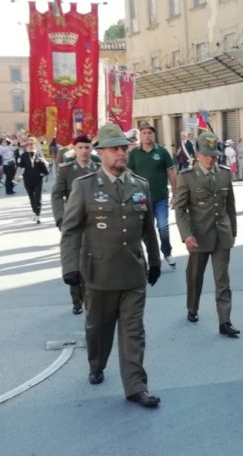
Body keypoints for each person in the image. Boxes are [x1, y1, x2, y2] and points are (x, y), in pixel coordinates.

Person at [59, 124, 161, 408]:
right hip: (99, 274)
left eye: (123, 148)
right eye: (114, 149)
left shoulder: (139, 184)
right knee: (98, 329)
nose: (121, 153)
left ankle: (136, 386)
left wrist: (154, 261)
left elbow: (148, 229)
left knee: (133, 330)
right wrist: (70, 266)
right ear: (100, 153)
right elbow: (71, 230)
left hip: (132, 272)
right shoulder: (85, 186)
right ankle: (97, 363)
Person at [173, 132, 239, 336]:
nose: (212, 159)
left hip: (221, 235)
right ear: (198, 154)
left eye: (215, 155)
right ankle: (192, 307)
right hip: (199, 236)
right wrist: (186, 235)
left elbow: (231, 206)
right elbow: (180, 208)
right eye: (208, 154)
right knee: (195, 276)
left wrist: (233, 231)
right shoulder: (187, 177)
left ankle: (225, 321)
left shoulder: (225, 174)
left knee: (222, 280)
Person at [52, 135, 99, 315]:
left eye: (87, 148)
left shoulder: (98, 168)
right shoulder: (66, 170)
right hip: (73, 221)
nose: (84, 151)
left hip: (94, 221)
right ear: (74, 149)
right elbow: (57, 195)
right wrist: (60, 217)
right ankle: (76, 298)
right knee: (75, 259)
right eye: (80, 148)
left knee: (91, 259)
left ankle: (90, 297)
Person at [127, 124, 178, 268]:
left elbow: (172, 173)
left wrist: (175, 194)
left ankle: (167, 252)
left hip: (160, 197)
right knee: (144, 229)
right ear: (140, 136)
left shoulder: (161, 152)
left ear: (153, 135)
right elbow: (129, 175)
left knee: (162, 226)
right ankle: (150, 258)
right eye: (144, 133)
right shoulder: (134, 153)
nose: (147, 135)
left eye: (150, 133)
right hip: (140, 198)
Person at [17, 137, 50, 224]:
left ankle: (38, 215)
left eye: (32, 144)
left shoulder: (39, 154)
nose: (30, 145)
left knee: (38, 197)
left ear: (35, 144)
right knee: (31, 197)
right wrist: (17, 175)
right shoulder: (24, 155)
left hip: (38, 178)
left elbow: (46, 165)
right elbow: (20, 166)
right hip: (27, 178)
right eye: (28, 144)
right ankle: (35, 212)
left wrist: (44, 163)